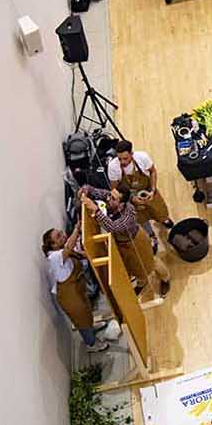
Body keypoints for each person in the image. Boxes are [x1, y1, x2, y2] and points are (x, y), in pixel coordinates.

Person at [79, 186, 171, 298]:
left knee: (151, 263)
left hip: (136, 243)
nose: (108, 199)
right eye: (110, 196)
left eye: (113, 199)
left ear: (121, 204)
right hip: (123, 245)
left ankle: (165, 279)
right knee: (135, 268)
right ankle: (142, 282)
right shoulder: (112, 199)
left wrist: (96, 210)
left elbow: (113, 227)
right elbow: (100, 193)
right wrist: (86, 190)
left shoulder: (128, 214)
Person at [41, 223, 121, 351]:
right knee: (81, 319)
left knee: (87, 311)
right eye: (58, 236)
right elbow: (69, 247)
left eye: (61, 232)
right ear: (53, 245)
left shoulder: (63, 250)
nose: (63, 235)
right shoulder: (54, 257)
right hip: (69, 297)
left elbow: (80, 254)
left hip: (77, 289)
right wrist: (77, 229)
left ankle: (91, 327)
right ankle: (91, 344)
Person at [108, 139, 172, 245]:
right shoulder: (113, 167)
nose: (122, 162)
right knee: (141, 218)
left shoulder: (142, 157)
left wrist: (153, 190)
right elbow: (115, 189)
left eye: (125, 158)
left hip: (147, 190)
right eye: (119, 159)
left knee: (159, 208)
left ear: (131, 154)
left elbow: (152, 172)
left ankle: (164, 219)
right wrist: (131, 198)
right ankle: (151, 235)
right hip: (130, 196)